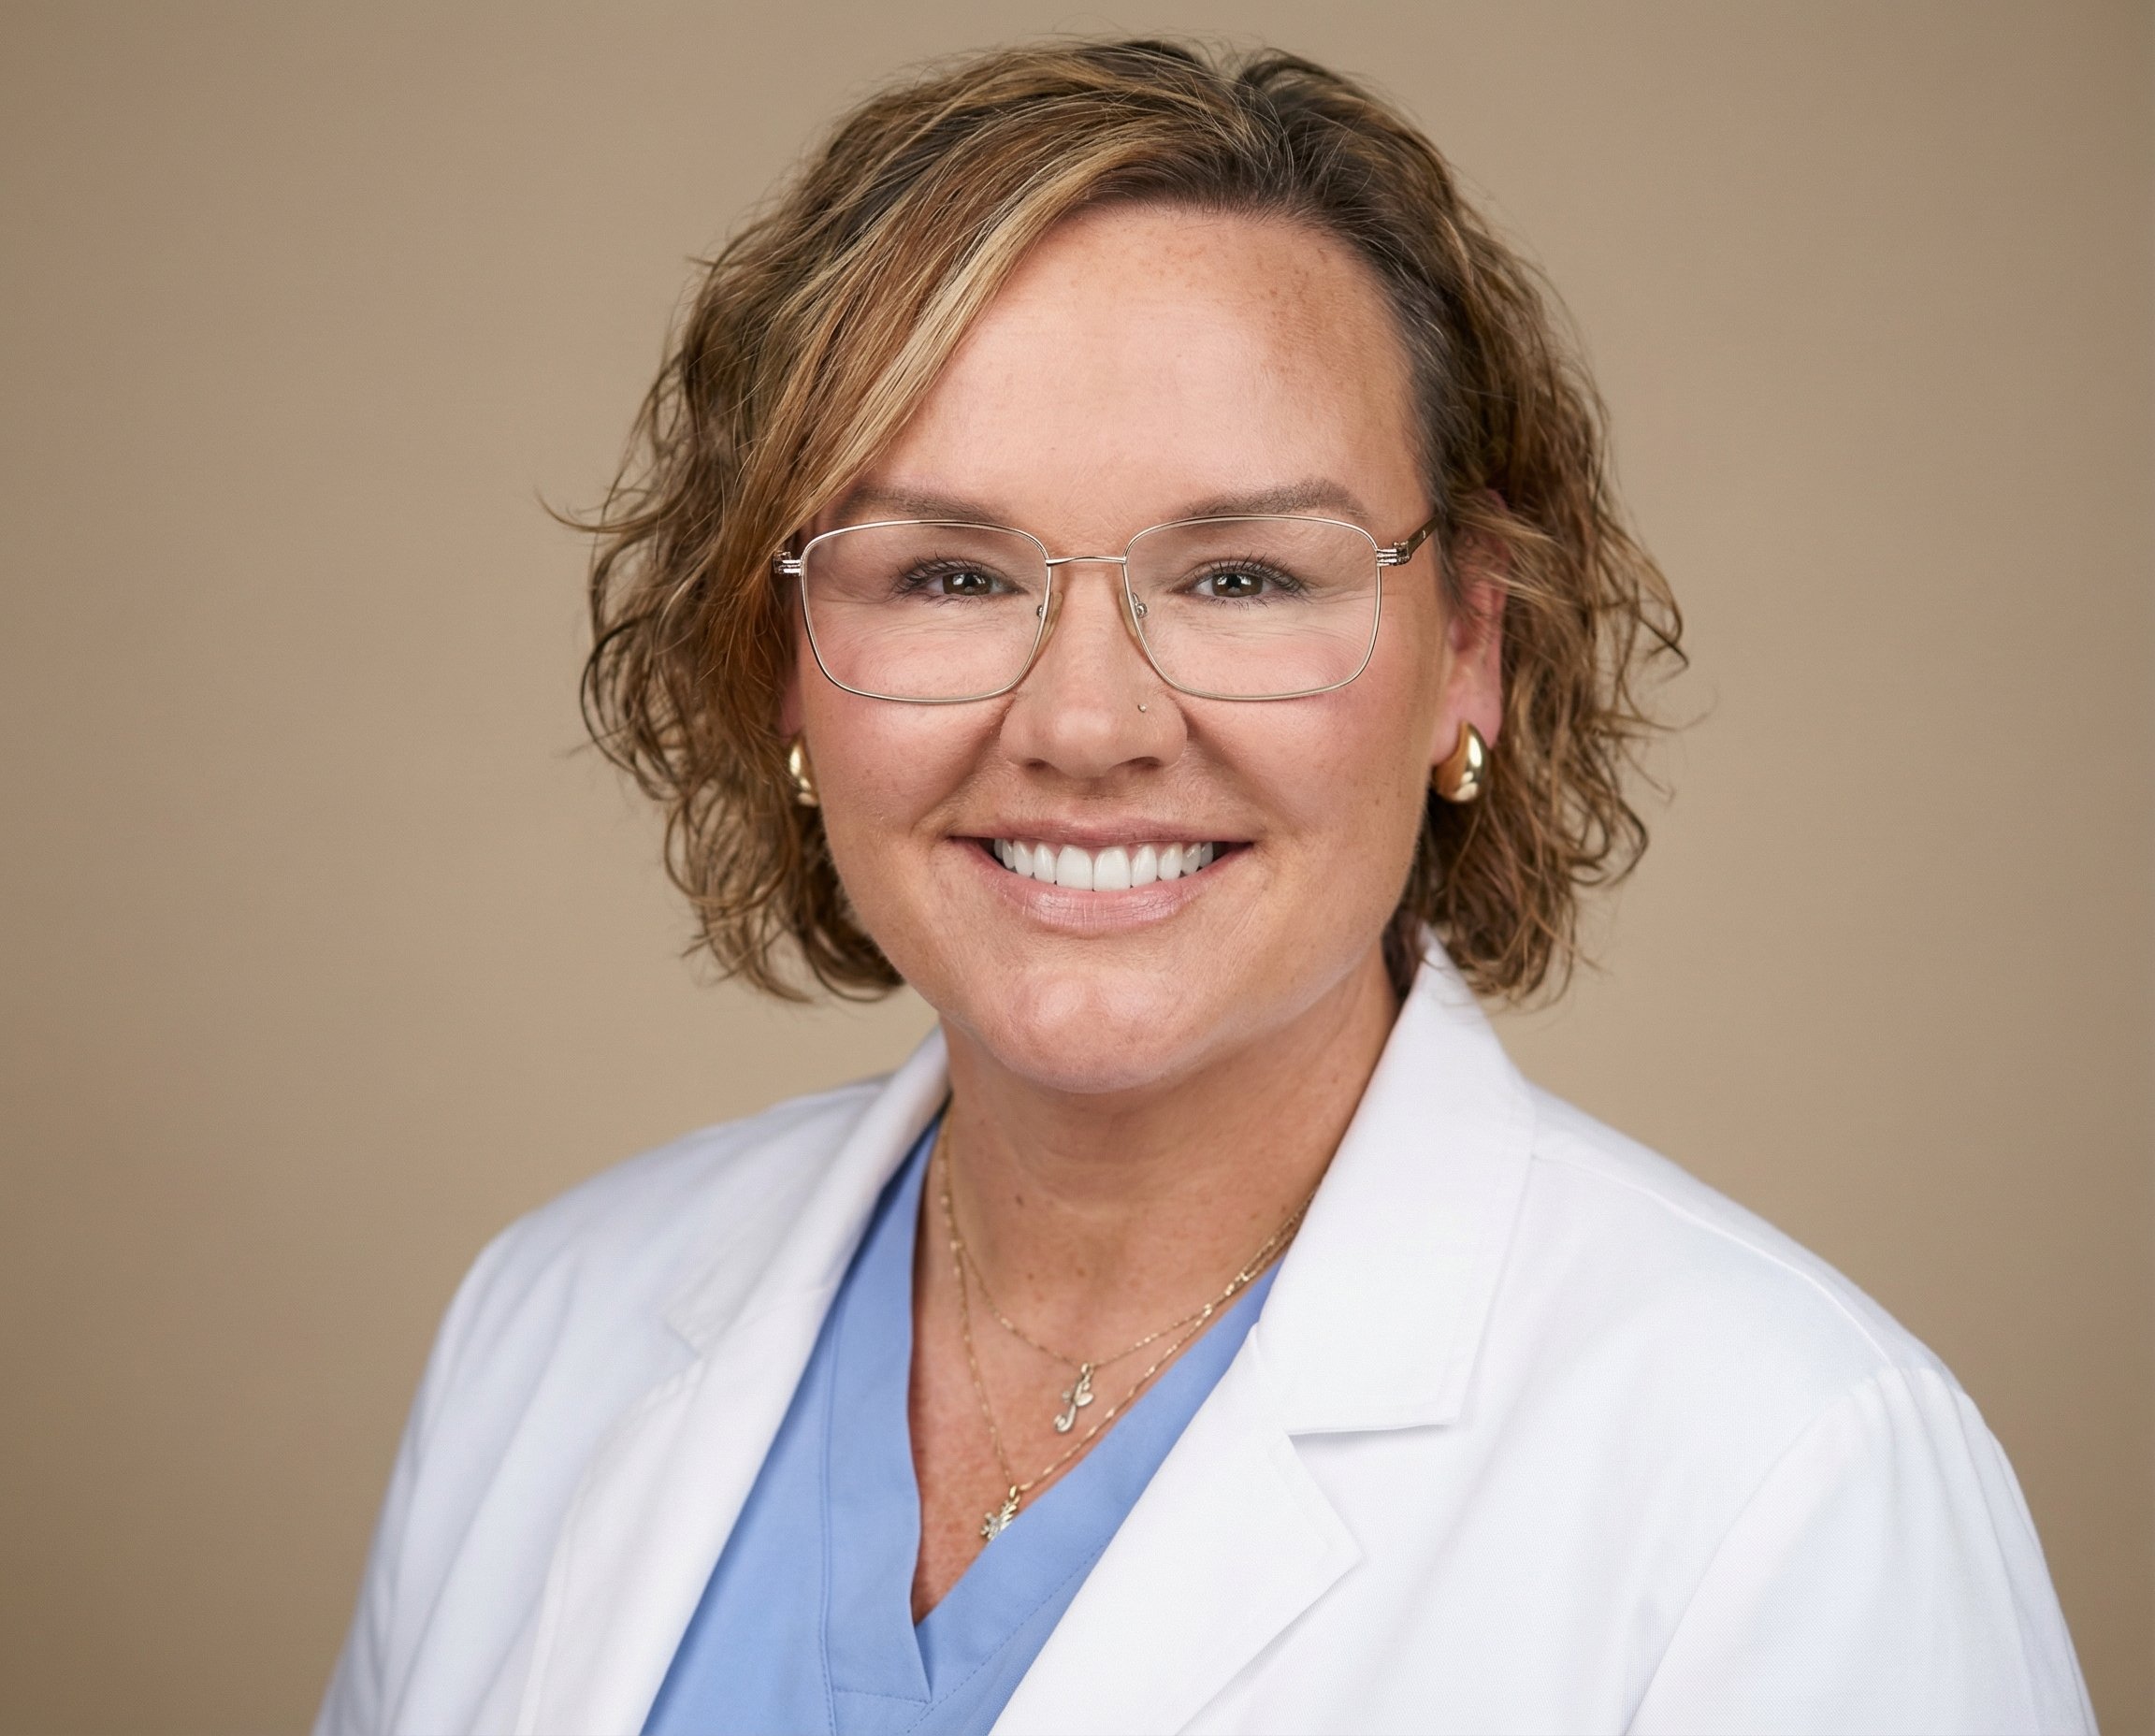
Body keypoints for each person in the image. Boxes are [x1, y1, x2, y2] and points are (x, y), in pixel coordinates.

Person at [315, 38, 2091, 1735]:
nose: (1086, 726)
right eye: (947, 575)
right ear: (781, 658)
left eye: (1243, 577)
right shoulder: (549, 1325)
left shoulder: (1788, 1476)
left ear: (1471, 651)